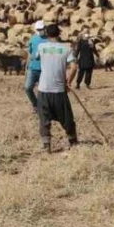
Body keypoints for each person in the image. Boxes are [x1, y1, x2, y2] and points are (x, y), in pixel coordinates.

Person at [35, 24, 78, 153]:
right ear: (59, 33)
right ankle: (73, 142)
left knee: (44, 118)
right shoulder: (66, 49)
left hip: (44, 89)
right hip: (59, 90)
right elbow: (74, 67)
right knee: (66, 117)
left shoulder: (41, 47)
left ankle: (46, 146)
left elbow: (35, 57)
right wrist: (68, 81)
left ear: (47, 34)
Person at [24, 21, 47, 111]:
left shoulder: (48, 40)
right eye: (38, 29)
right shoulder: (33, 39)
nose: (40, 31)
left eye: (41, 29)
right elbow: (29, 53)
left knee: (42, 90)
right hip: (33, 68)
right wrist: (27, 65)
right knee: (27, 87)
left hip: (44, 69)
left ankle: (42, 107)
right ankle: (35, 103)